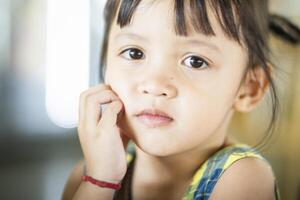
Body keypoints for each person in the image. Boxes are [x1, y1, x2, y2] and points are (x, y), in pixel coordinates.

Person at [62, 0, 300, 199]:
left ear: (249, 88)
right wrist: (99, 182)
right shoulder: (88, 176)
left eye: (195, 61)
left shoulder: (243, 180)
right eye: (134, 53)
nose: (154, 85)